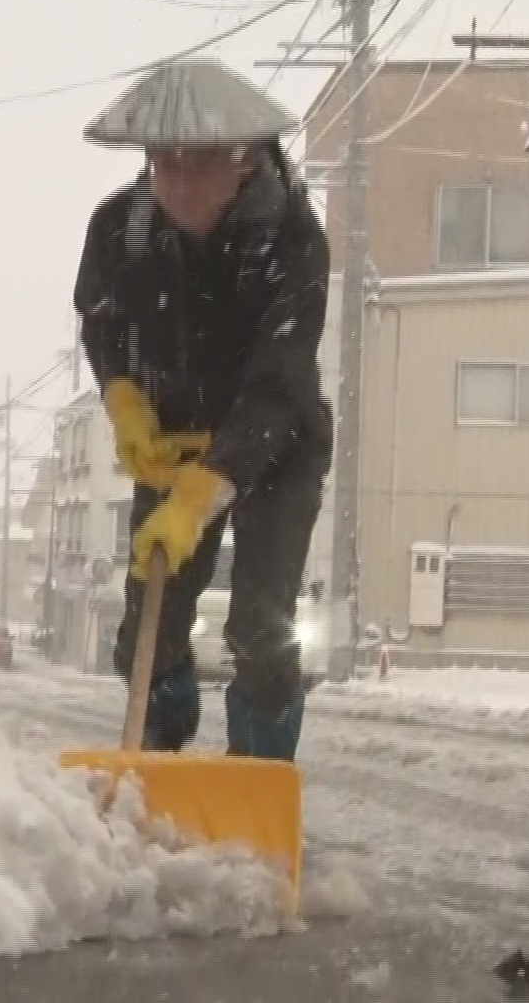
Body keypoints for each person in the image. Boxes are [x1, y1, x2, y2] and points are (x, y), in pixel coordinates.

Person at [72, 58, 333, 762]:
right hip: (174, 441)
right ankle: (159, 743)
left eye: (196, 166)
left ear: (243, 162)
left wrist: (204, 494)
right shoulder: (118, 233)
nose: (176, 184)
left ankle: (258, 769)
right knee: (147, 630)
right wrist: (126, 404)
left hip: (277, 449)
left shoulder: (293, 243)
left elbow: (278, 386)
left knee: (260, 626)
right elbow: (102, 324)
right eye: (163, 165)